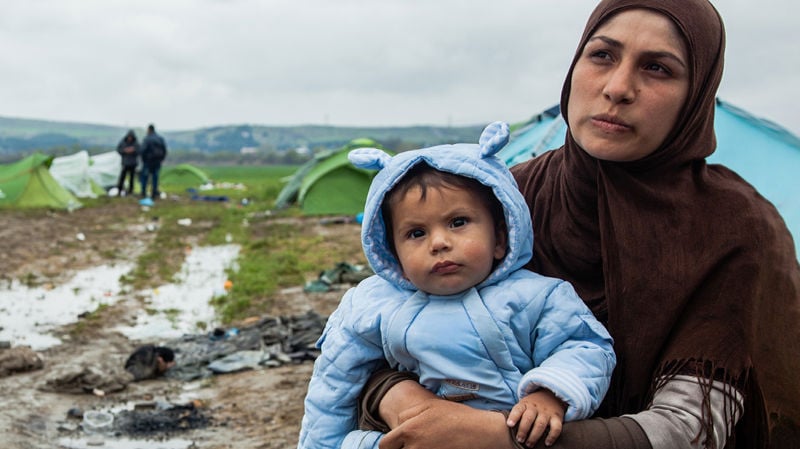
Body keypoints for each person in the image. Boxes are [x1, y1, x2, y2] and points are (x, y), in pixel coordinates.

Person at [351, 1, 800, 449]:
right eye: (602, 55)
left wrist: (497, 439)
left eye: (658, 68)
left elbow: (687, 429)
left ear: (696, 96)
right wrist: (398, 398)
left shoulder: (735, 229)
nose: (618, 87)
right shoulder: (508, 200)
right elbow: (384, 335)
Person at [297, 122, 616, 449]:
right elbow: (332, 386)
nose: (439, 242)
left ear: (501, 239)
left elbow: (586, 346)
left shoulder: (537, 296)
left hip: (502, 433)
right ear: (393, 253)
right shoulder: (372, 305)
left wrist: (551, 394)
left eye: (458, 222)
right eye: (416, 233)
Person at [139, 123, 168, 199]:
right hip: (157, 161)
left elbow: (142, 150)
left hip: (148, 161)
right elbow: (164, 150)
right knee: (155, 177)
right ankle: (154, 192)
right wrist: (161, 159)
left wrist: (143, 159)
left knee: (145, 177)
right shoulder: (160, 138)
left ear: (149, 130)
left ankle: (143, 192)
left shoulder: (147, 139)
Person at [115, 129, 140, 196]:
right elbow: (118, 149)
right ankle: (119, 190)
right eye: (129, 137)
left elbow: (139, 151)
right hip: (125, 163)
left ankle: (130, 191)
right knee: (122, 178)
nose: (130, 138)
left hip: (133, 163)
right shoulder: (123, 142)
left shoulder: (136, 143)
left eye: (131, 137)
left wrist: (133, 150)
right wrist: (125, 151)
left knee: (132, 178)